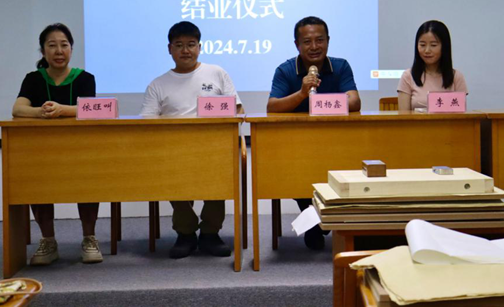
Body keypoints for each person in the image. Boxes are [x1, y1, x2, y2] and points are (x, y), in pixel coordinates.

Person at [141, 21, 243, 259]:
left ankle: (210, 233)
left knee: (219, 179)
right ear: (169, 49)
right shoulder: (158, 84)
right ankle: (185, 233)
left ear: (199, 47)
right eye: (179, 45)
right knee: (173, 180)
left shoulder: (217, 73)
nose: (185, 50)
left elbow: (238, 110)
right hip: (174, 151)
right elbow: (147, 122)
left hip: (214, 148)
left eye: (191, 44)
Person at [267, 16, 361, 250]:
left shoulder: (340, 66)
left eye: (320, 40)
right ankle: (314, 220)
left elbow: (355, 101)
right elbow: (272, 107)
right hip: (297, 147)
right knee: (295, 172)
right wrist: (302, 93)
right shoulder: (285, 70)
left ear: (328, 41)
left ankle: (321, 220)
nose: (314, 46)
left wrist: (322, 104)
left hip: (337, 143)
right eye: (307, 41)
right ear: (297, 45)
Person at [12, 23, 102, 266]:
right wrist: (40, 111)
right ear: (43, 51)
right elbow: (18, 109)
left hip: (80, 150)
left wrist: (62, 110)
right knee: (36, 181)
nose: (59, 51)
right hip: (42, 152)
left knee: (88, 180)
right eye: (52, 45)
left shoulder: (84, 78)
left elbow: (91, 109)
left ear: (71, 49)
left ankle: (89, 238)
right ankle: (48, 241)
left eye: (64, 45)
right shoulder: (34, 79)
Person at [397, 20, 467, 111]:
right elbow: (403, 117)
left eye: (433, 45)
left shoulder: (456, 77)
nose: (427, 50)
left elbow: (461, 116)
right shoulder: (408, 76)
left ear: (444, 47)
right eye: (422, 45)